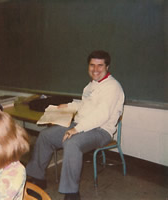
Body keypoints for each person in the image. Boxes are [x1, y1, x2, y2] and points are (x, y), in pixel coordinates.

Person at [26, 50, 125, 200]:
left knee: (72, 143)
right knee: (45, 136)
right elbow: (86, 105)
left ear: (107, 67)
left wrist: (76, 129)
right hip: (81, 124)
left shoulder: (112, 87)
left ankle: (72, 193)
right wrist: (68, 105)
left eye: (100, 65)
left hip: (101, 130)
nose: (95, 69)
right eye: (92, 65)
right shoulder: (91, 85)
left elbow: (101, 115)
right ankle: (37, 178)